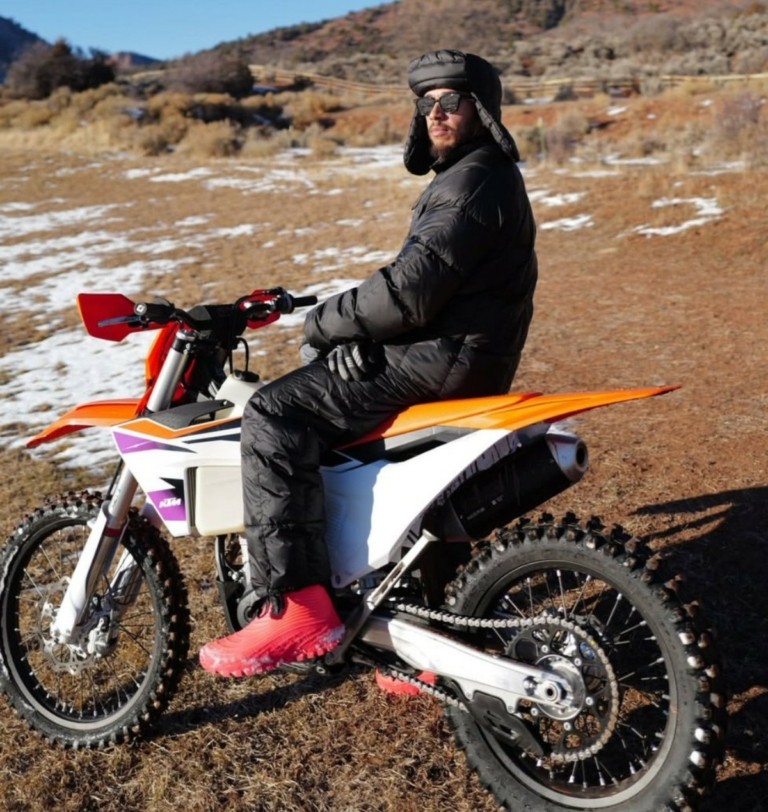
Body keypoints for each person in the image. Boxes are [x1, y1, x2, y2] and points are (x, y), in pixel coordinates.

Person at [199, 49, 538, 678]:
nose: (436, 113)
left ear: (482, 110)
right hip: (455, 353)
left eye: (452, 101)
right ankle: (426, 630)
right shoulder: (479, 176)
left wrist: (325, 322)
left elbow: (408, 291)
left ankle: (296, 608)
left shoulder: (472, 181)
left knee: (273, 414)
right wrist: (362, 337)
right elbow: (432, 290)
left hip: (443, 359)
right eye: (426, 103)